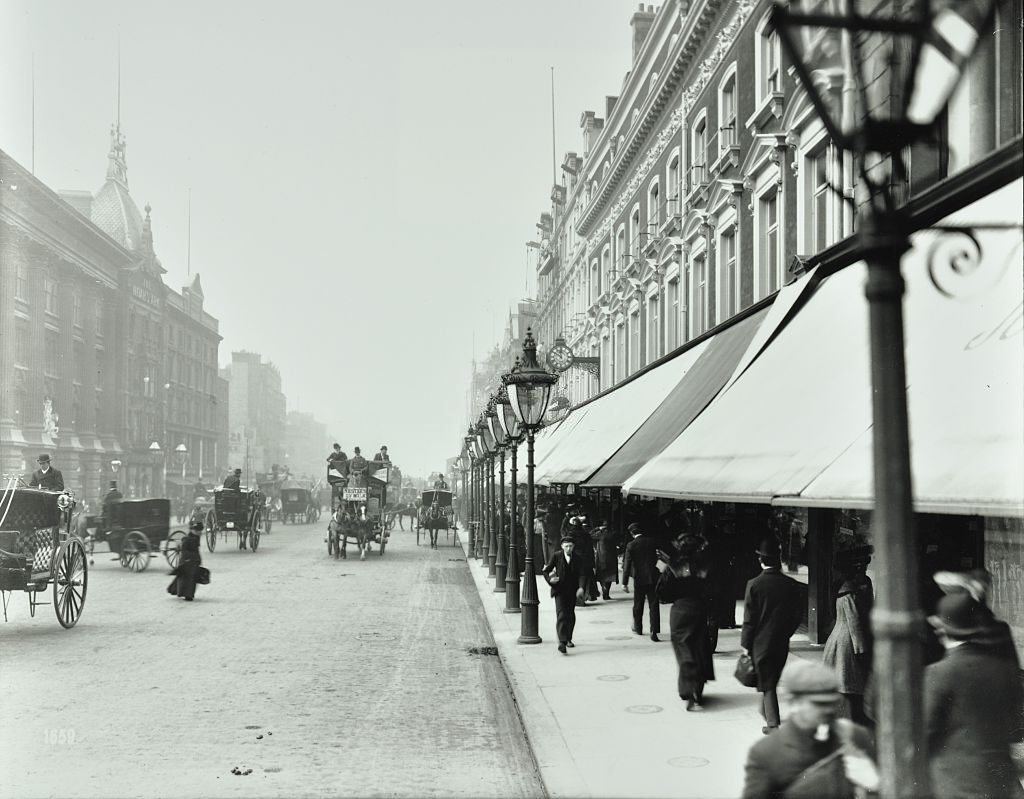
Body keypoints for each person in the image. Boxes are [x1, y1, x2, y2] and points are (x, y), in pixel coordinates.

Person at [925, 591, 1023, 799]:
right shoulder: (1004, 668)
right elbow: (1015, 729)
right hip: (1000, 782)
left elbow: (924, 734)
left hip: (955, 785)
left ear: (942, 630)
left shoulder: (939, 672)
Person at [742, 661, 878, 799]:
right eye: (819, 703)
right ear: (794, 703)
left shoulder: (855, 736)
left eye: (832, 703)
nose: (829, 710)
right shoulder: (766, 753)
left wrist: (874, 786)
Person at [741, 537, 804, 734]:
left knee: (768, 683)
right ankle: (765, 711)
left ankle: (773, 724)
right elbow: (797, 615)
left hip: (761, 642)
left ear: (761, 561)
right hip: (781, 641)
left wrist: (745, 644)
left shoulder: (754, 585)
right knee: (771, 677)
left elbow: (749, 619)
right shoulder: (791, 584)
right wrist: (787, 632)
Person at [657, 534, 715, 709]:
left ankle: (687, 687)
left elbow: (662, 592)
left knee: (683, 648)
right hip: (699, 610)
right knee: (699, 647)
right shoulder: (705, 566)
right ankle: (698, 687)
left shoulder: (674, 566)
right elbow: (713, 591)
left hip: (680, 611)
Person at [822, 546, 874, 725]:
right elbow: (855, 623)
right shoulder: (847, 592)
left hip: (845, 640)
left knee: (847, 683)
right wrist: (862, 650)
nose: (864, 571)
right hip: (848, 643)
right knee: (849, 683)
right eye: (861, 568)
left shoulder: (861, 584)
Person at [542, 533, 585, 654]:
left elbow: (582, 574)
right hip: (559, 590)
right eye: (566, 546)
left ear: (574, 546)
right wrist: (550, 580)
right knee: (561, 614)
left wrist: (581, 587)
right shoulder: (556, 556)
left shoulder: (578, 558)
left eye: (570, 546)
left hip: (572, 590)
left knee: (570, 614)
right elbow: (546, 570)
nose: (568, 549)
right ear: (562, 546)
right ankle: (562, 642)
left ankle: (569, 638)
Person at [622, 522, 661, 641]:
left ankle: (638, 628)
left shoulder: (631, 545)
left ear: (631, 533)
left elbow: (627, 564)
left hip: (639, 578)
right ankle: (653, 631)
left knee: (638, 604)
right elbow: (658, 557)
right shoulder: (651, 541)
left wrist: (624, 582)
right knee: (654, 605)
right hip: (653, 577)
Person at [168, 519, 204, 601]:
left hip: (193, 561)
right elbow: (184, 551)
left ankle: (187, 594)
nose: (199, 533)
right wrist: (190, 558)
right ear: (192, 530)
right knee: (187, 579)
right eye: (197, 531)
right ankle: (187, 595)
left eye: (200, 531)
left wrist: (198, 559)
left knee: (189, 579)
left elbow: (196, 550)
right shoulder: (187, 539)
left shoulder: (196, 538)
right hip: (187, 561)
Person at [590, 521, 618, 601]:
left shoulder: (600, 534)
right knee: (610, 576)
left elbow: (589, 534)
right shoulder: (613, 533)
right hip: (612, 558)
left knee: (602, 576)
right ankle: (606, 594)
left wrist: (597, 528)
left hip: (601, 558)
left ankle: (604, 591)